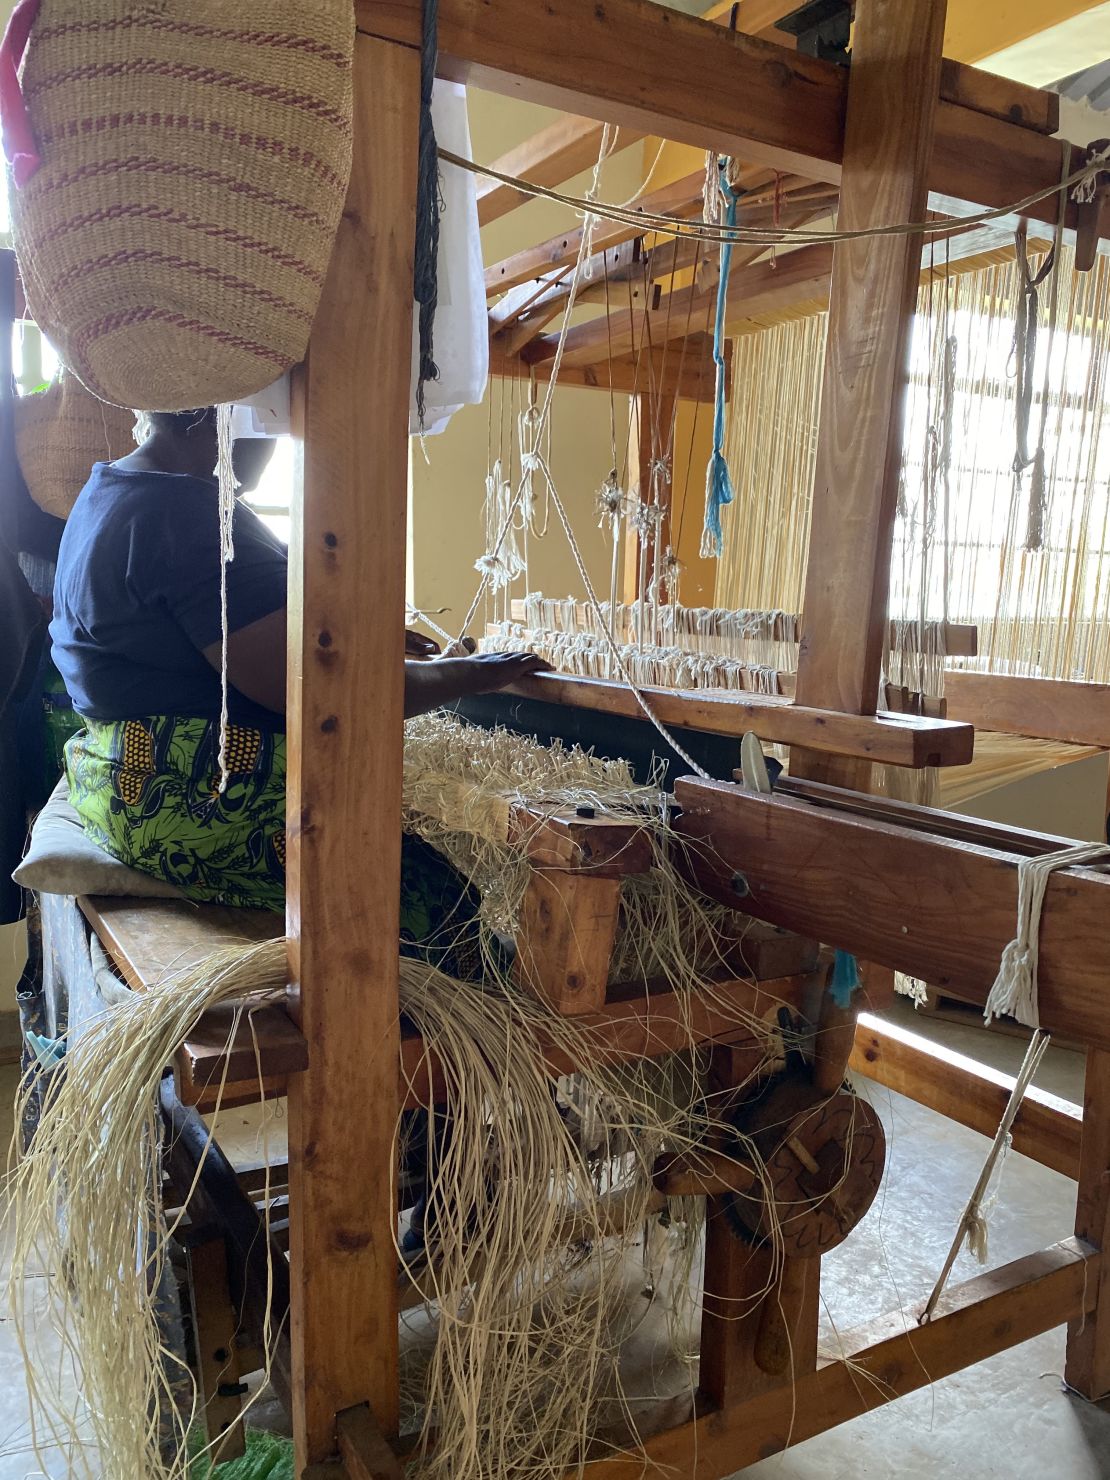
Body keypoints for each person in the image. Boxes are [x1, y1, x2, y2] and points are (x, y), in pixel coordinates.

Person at [50, 406, 548, 925]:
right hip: (192, 800)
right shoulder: (187, 510)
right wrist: (472, 674)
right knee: (433, 904)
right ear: (230, 418)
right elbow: (321, 693)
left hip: (119, 786)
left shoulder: (112, 488)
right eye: (269, 415)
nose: (279, 429)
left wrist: (351, 633)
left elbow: (207, 627)